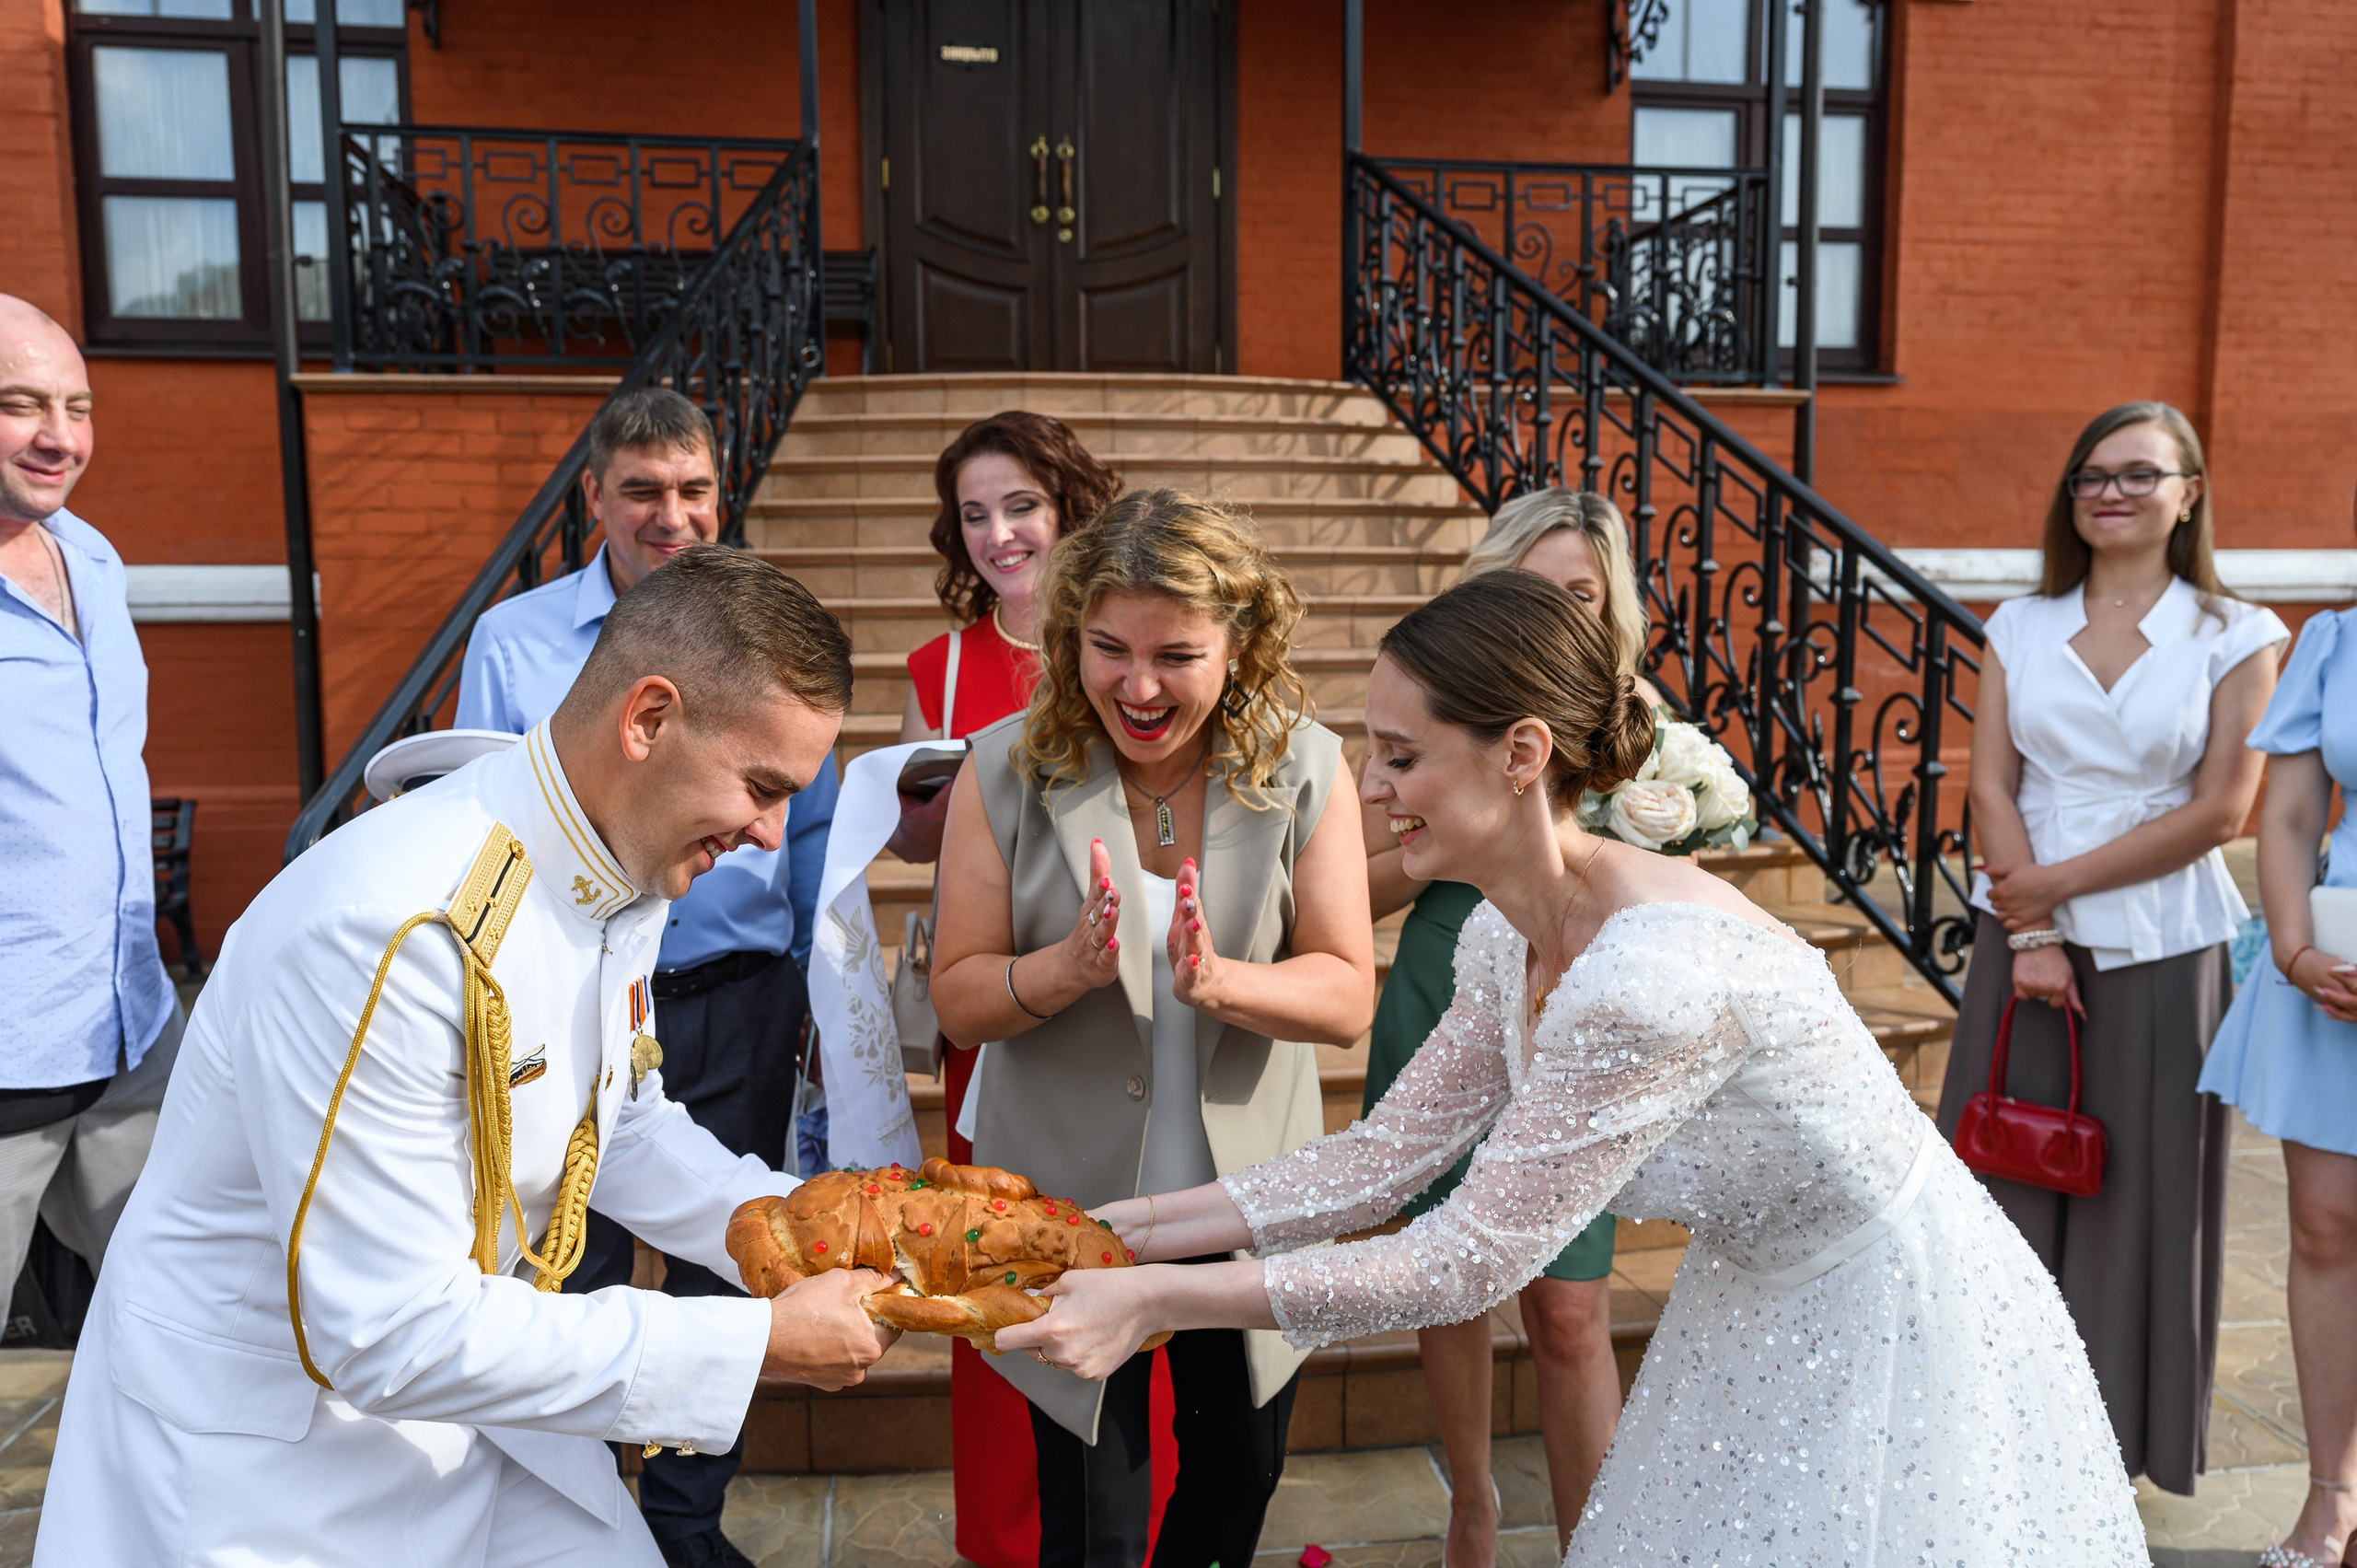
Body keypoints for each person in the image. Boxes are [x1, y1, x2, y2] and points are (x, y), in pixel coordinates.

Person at [1000, 569, 2150, 1564]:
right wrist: (1118, 1225)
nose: (1370, 788)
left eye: (1399, 755)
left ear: (1522, 754)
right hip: (1756, 1288)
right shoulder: (1512, 929)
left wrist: (1151, 1292)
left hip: (1887, 1309)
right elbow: (1381, 1158)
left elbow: (1462, 1260)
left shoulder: (1643, 979)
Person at [36, 546, 896, 1565]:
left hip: (470, 1400)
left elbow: (613, 1122)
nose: (771, 832)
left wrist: (797, 1230)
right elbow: (382, 1329)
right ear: (648, 718)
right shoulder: (387, 931)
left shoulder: (621, 852)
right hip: (273, 1461)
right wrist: (752, 1341)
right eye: (761, 784)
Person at [930, 487, 1376, 1568]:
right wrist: (1061, 968)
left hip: (1250, 1195)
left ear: (1239, 641)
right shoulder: (999, 768)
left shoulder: (1306, 764)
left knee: (1234, 1477)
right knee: (1094, 1516)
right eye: (1106, 648)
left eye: (1176, 653)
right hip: (1066, 1200)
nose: (1136, 685)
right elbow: (956, 994)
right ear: (1070, 632)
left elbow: (1345, 988)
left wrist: (1226, 983)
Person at [455, 387, 840, 1568]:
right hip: (571, 999)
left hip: (737, 992)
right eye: (642, 490)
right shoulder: (513, 642)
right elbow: (481, 816)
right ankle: (576, 1512)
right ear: (594, 500)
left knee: (731, 1264)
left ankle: (683, 1522)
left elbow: (811, 836)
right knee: (565, 1258)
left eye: (693, 491)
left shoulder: (770, 644)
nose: (670, 515)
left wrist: (827, 993)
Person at [1935, 401, 2284, 1497]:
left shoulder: (2238, 632)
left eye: (2139, 473)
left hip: (2163, 949)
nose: (2110, 492)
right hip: (2020, 950)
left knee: (2141, 1196)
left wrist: (2058, 887)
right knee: (2001, 1180)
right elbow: (1990, 780)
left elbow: (2225, 806)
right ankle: (1988, 1426)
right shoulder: (2020, 622)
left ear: (2188, 494)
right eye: (2091, 475)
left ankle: (2109, 1446)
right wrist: (2031, 926)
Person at [1356, 489, 1652, 1561]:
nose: (1550, 609)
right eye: (1524, 587)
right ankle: (1471, 1499)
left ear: (1609, 602)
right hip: (1446, 975)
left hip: (1583, 1006)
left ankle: (1597, 1538)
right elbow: (1359, 879)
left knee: (1570, 1308)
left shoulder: (1642, 727)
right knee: (1448, 1268)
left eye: (1574, 590)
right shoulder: (1434, 717)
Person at [888, 410, 1119, 1567]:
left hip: (1119, 997)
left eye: (1019, 505)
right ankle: (1011, 1539)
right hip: (995, 1002)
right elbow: (906, 838)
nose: (998, 535)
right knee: (996, 1268)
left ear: (1067, 504)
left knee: (1112, 1250)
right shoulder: (936, 669)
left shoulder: (1128, 639)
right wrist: (920, 807)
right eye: (974, 514)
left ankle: (1134, 1516)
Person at [0, 295, 180, 1312]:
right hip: (7, 1056)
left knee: (189, 1317)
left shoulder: (95, 559)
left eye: (78, 404)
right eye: (21, 405)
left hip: (131, 1032)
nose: (59, 437)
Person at [2197, 582, 2357, 1566]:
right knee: (2324, 1222)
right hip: (2333, 967)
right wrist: (2295, 952)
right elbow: (2290, 816)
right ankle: (2330, 1499)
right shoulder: (2334, 639)